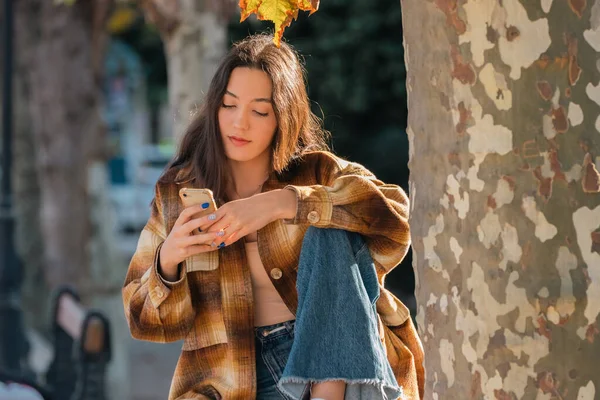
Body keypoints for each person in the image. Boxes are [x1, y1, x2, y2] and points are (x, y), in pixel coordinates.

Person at [122, 34, 423, 400]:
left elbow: (396, 217)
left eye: (259, 111)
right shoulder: (177, 192)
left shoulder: (317, 173)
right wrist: (168, 261)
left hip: (335, 366)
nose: (239, 123)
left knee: (329, 227)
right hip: (230, 379)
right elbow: (144, 321)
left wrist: (284, 203)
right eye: (229, 106)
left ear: (284, 115)